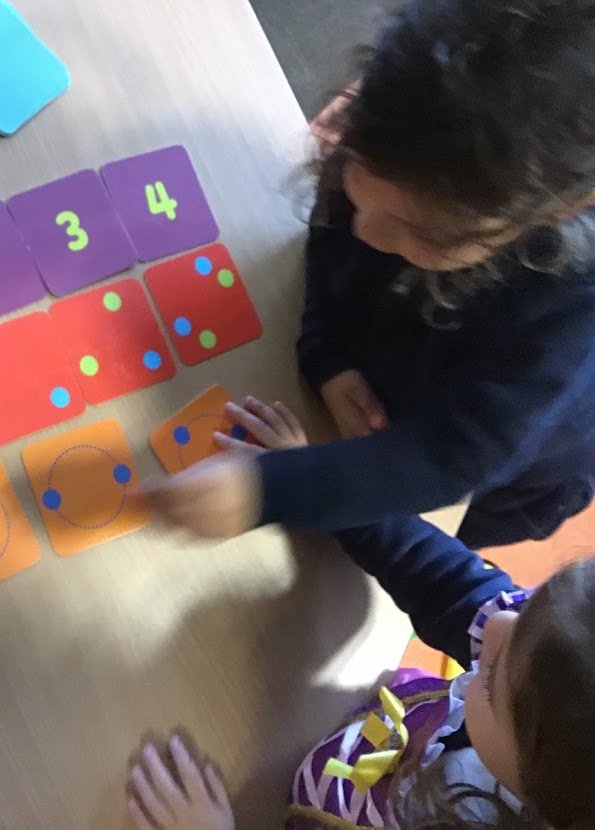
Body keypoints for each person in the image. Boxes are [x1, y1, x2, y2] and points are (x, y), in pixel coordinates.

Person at [148, 0, 595, 548]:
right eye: (356, 185)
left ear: (558, 208)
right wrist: (325, 355)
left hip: (489, 471)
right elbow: (335, 237)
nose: (368, 234)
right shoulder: (397, 149)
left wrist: (269, 491)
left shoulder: (569, 329)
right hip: (378, 374)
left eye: (426, 234)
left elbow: (451, 460)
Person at [126, 398, 595, 829]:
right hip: (368, 734)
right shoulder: (529, 643)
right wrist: (309, 484)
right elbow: (432, 570)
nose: (493, 623)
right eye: (530, 601)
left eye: (491, 679)